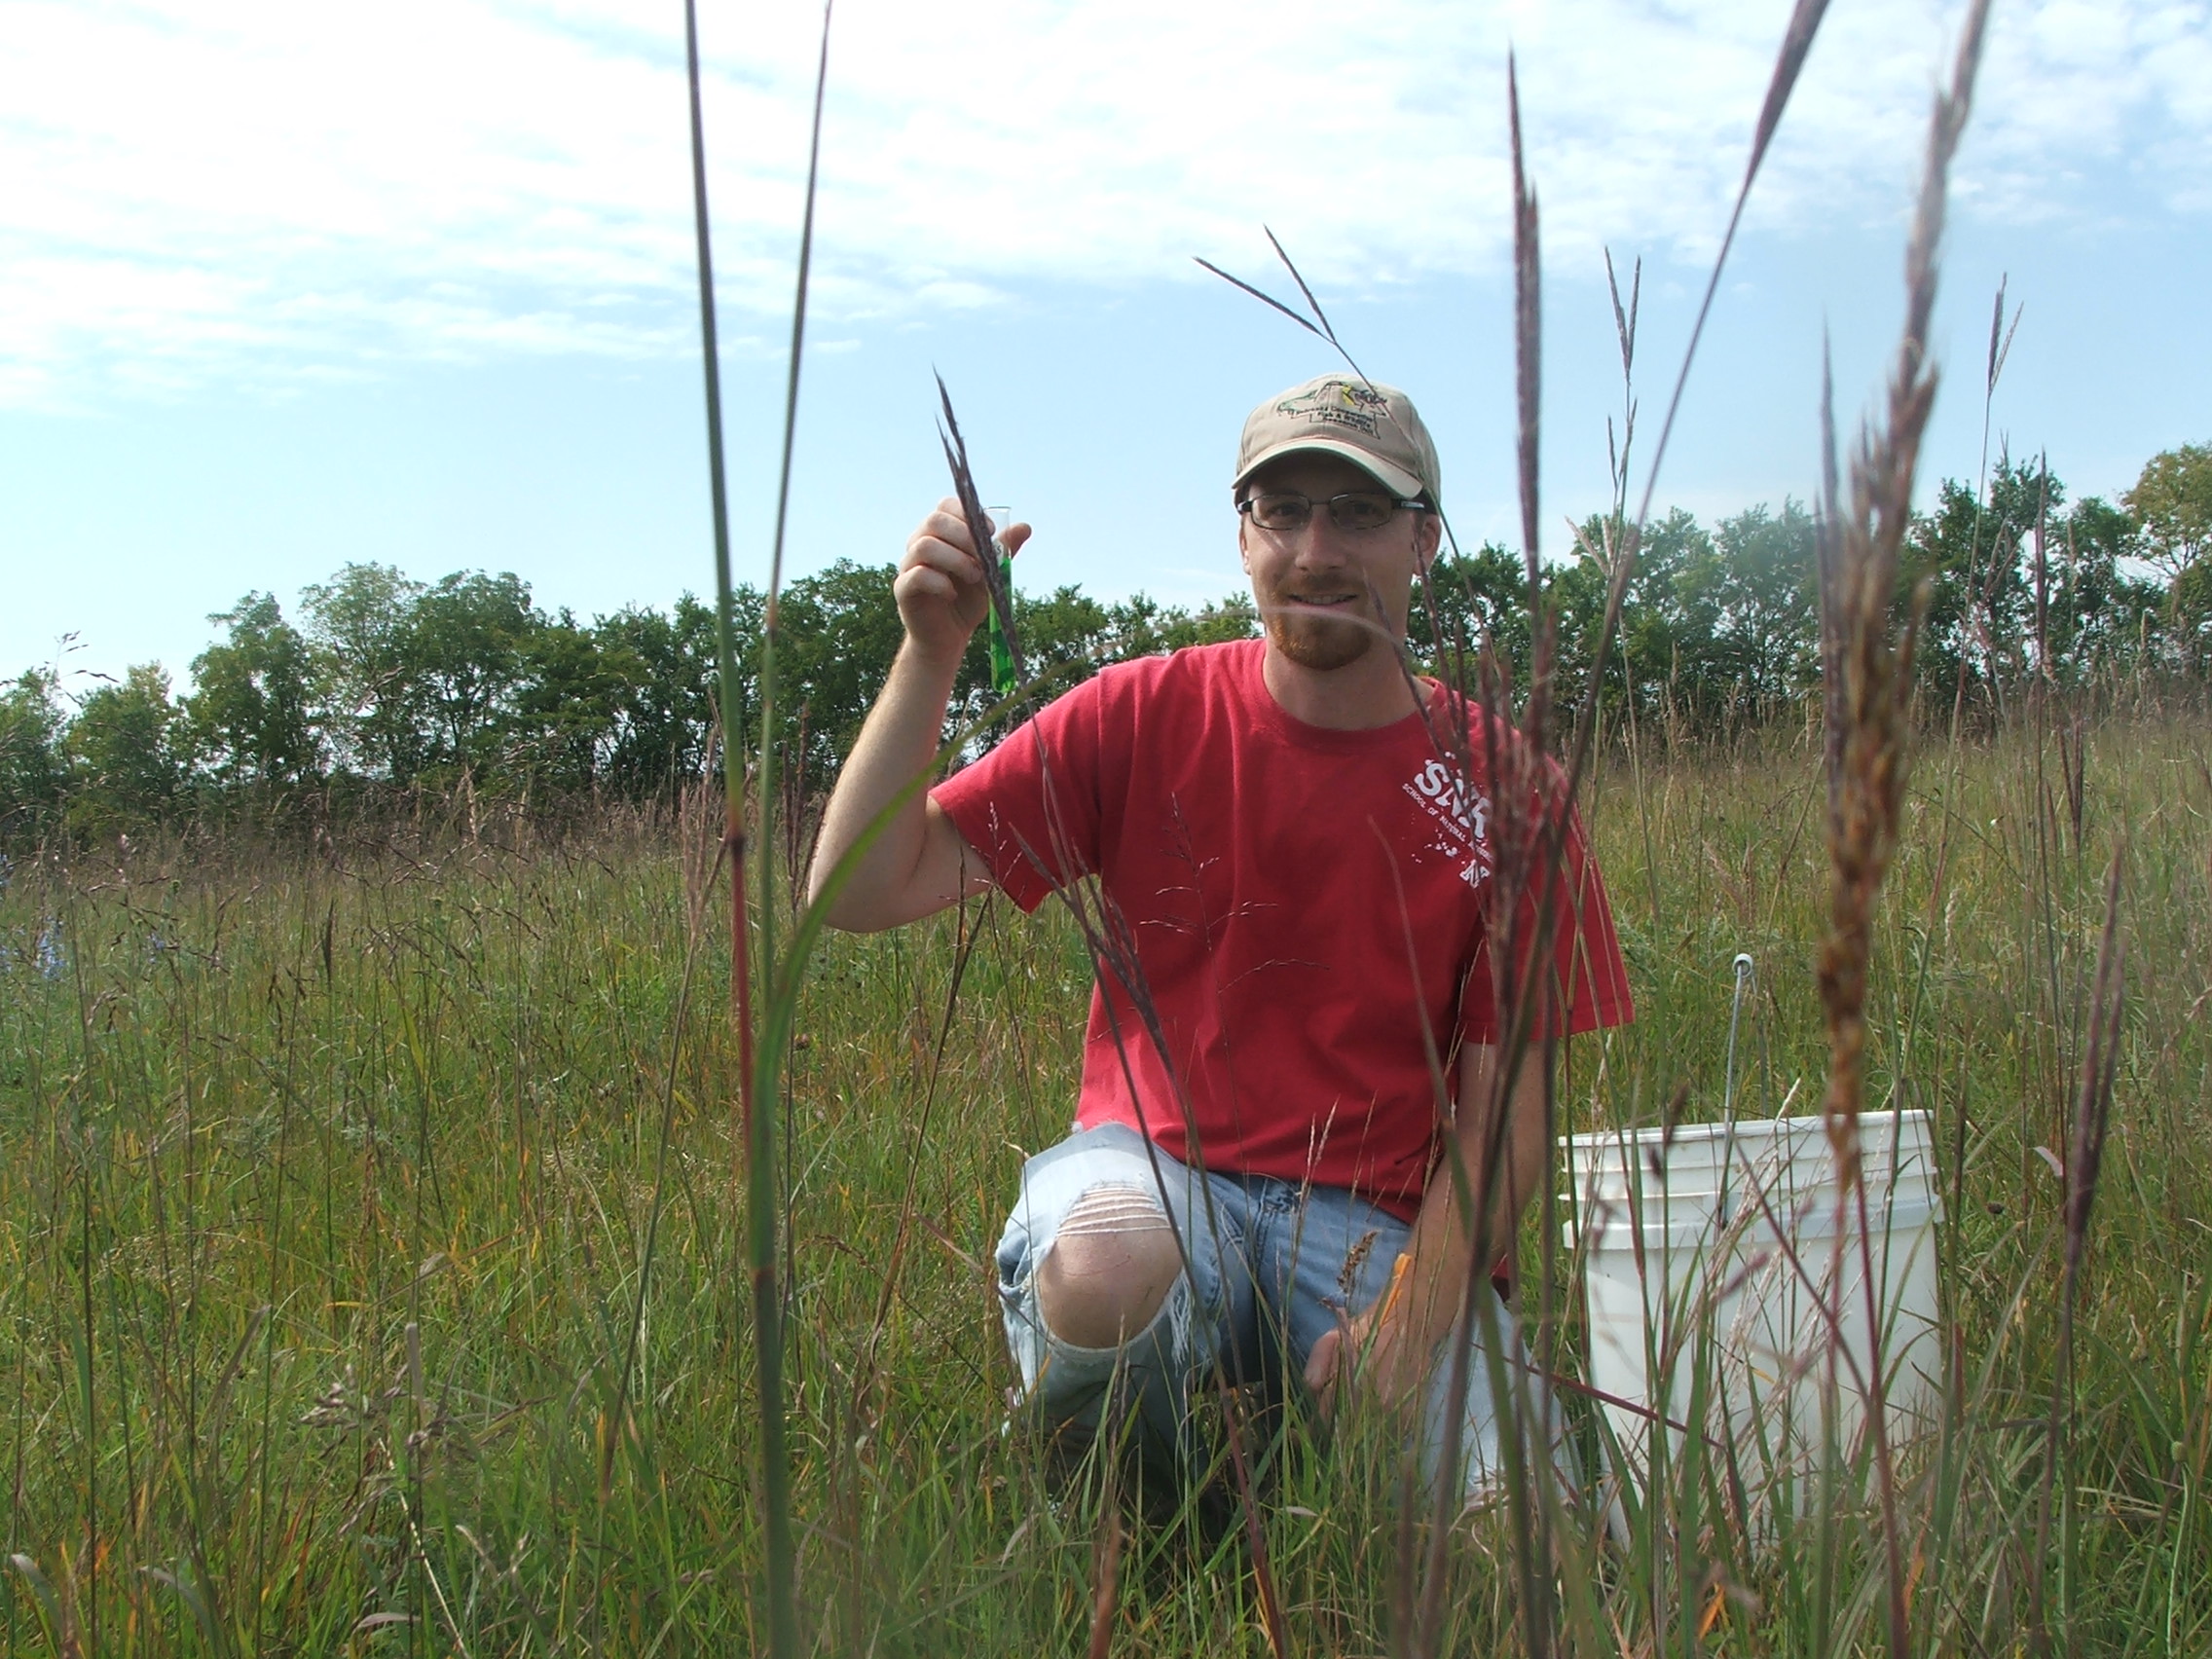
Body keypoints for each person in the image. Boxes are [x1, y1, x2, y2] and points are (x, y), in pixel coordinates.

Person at [807, 373, 1633, 1504]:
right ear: (1241, 536)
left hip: (1374, 1230)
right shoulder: (1141, 715)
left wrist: (1406, 1326)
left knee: (1516, 1535)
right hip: (1157, 1175)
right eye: (1281, 510)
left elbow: (1506, 1119)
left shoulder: (1509, 793)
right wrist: (930, 653)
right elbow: (858, 889)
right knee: (1105, 1268)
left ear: (1423, 540)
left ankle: (1293, 1442)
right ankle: (1146, 1551)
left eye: (1358, 511)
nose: (1316, 549)